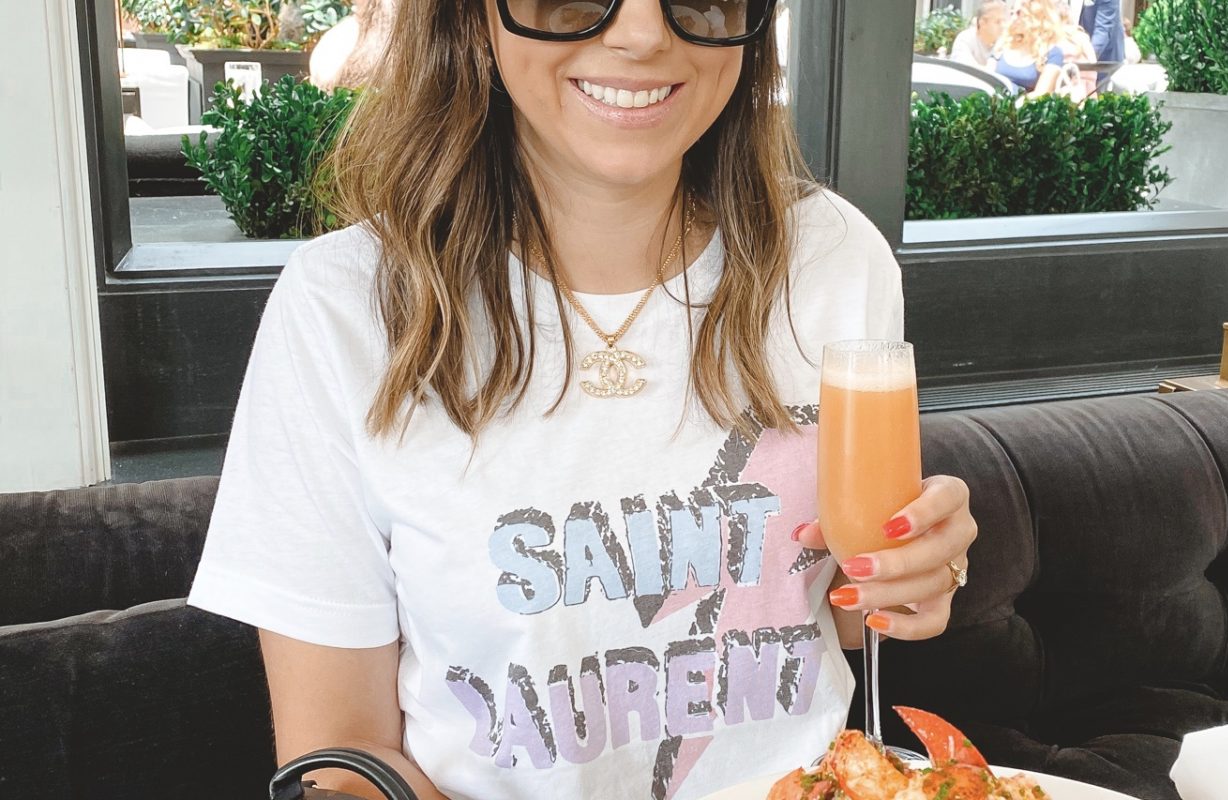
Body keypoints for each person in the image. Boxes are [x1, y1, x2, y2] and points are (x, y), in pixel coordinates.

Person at [186, 2, 978, 800]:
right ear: (471, 19)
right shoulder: (345, 307)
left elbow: (840, 617)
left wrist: (913, 573)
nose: (641, 35)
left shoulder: (837, 258)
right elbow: (341, 751)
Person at [995, 3, 1066, 98]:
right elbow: (986, 77)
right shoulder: (1004, 43)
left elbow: (1041, 94)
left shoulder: (1052, 53)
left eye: (1019, 13)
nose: (1013, 18)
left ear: (1036, 17)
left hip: (1023, 109)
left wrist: (1012, 105)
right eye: (1012, 13)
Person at [949, 0, 1008, 69]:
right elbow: (967, 71)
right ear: (983, 22)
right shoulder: (965, 39)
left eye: (1004, 21)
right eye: (998, 22)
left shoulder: (1004, 43)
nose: (1003, 26)